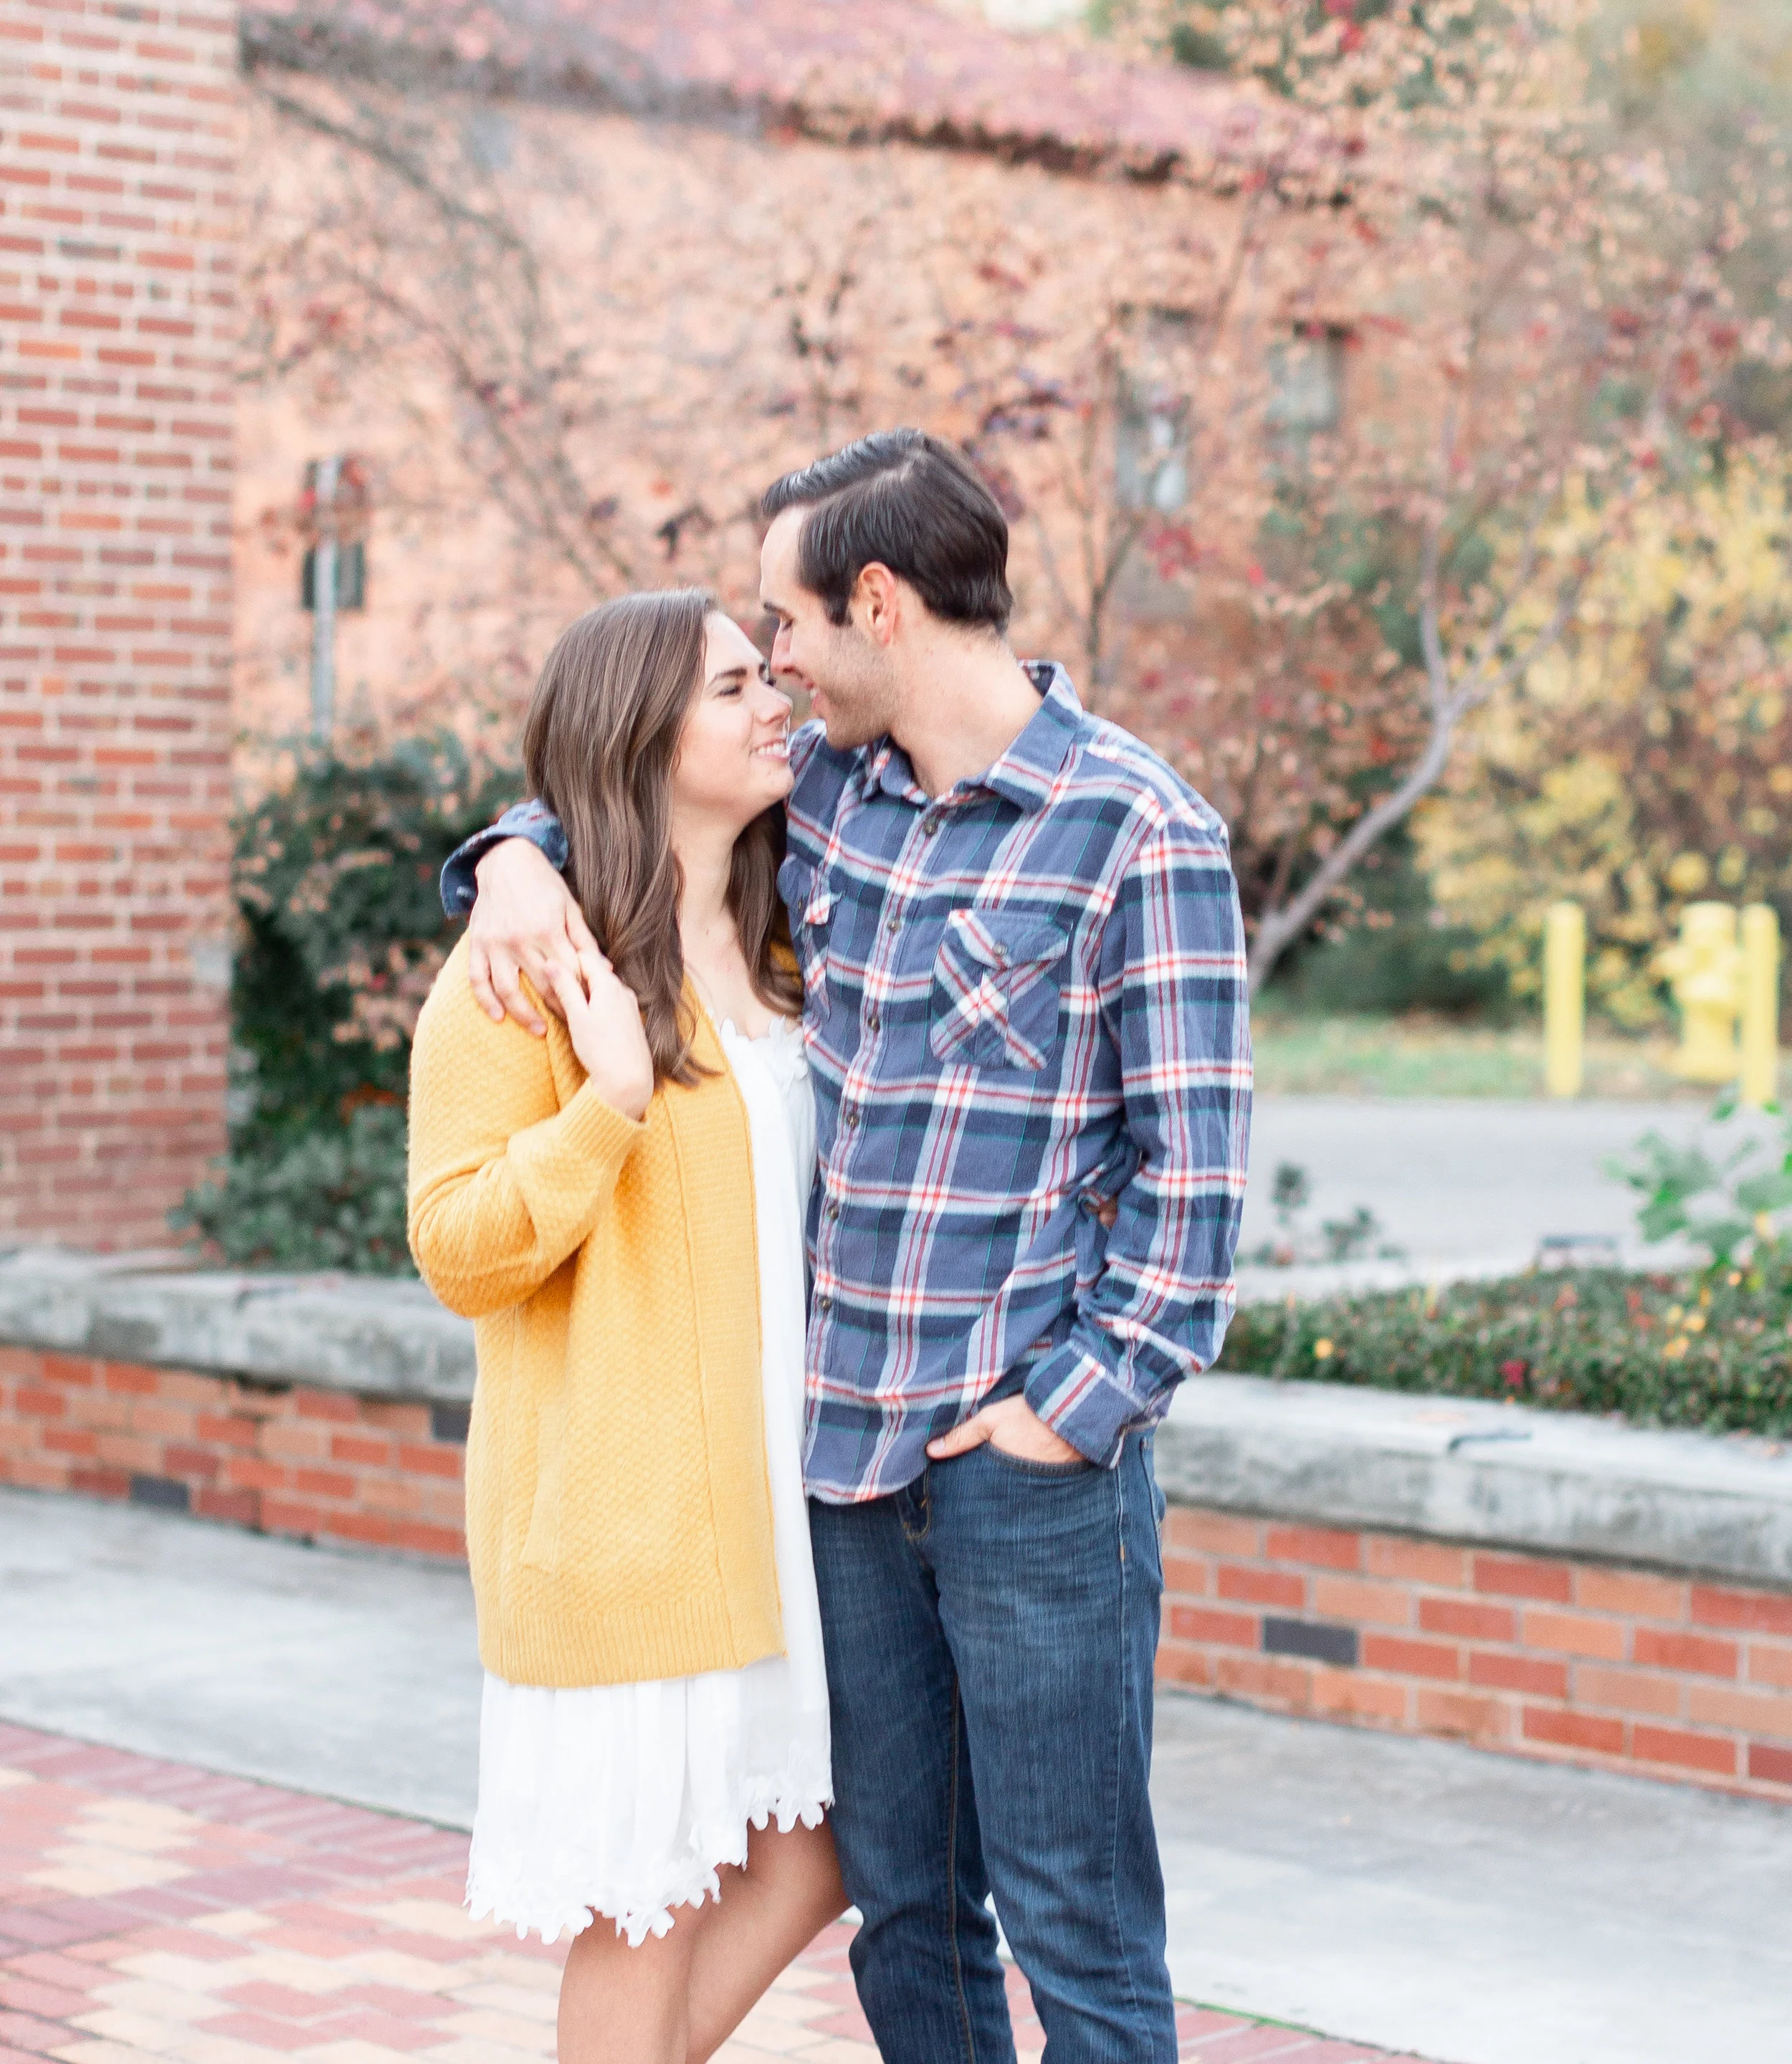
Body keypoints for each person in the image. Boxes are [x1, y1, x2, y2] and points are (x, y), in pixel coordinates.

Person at [443, 430, 1252, 2064]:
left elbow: (1195, 1199)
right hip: (844, 1477)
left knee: (1072, 1912)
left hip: (1028, 1475)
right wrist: (509, 861)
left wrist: (1057, 1417)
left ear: (874, 601)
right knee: (906, 1905)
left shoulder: (1137, 833)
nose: (779, 671)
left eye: (786, 626)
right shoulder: (835, 804)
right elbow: (617, 771)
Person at [409, 590, 846, 2064]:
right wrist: (601, 1109)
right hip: (631, 1522)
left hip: (785, 1514)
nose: (772, 701)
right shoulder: (525, 973)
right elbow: (459, 1251)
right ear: (642, 734)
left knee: (809, 1856)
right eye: (732, 687)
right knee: (648, 1903)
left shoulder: (790, 945)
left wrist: (504, 848)